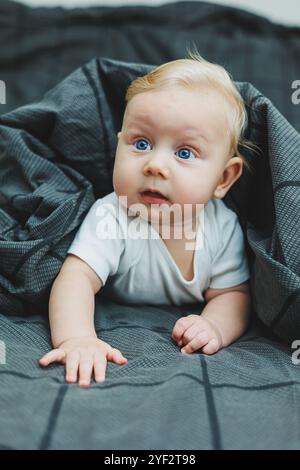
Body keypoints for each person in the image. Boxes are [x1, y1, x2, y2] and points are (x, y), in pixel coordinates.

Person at [39, 50, 255, 387]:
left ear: (224, 179)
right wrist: (77, 339)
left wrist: (213, 325)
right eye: (141, 143)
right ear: (118, 147)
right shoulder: (113, 214)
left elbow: (234, 295)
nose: (154, 165)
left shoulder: (222, 227)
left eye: (185, 153)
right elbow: (76, 279)